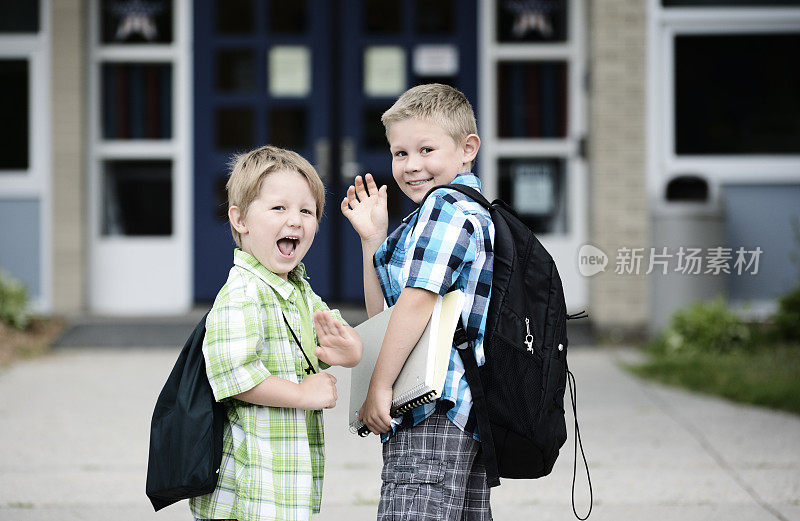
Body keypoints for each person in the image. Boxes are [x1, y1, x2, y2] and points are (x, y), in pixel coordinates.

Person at [341, 84, 494, 520]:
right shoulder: (450, 211)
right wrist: (374, 239)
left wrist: (380, 387)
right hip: (461, 419)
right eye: (400, 153)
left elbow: (417, 303)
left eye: (426, 149)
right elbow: (384, 319)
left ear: (468, 149)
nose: (411, 166)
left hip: (431, 411)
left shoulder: (446, 208)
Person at [191, 145, 363, 521]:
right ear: (240, 220)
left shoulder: (297, 288)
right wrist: (303, 393)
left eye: (307, 210)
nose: (296, 220)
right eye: (279, 208)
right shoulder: (242, 294)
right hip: (247, 493)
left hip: (282, 485)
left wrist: (349, 350)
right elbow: (234, 377)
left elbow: (329, 330)